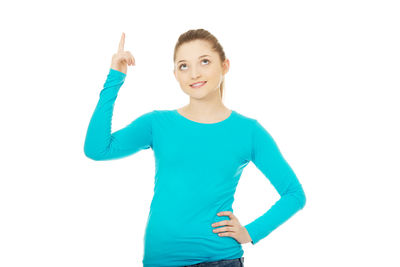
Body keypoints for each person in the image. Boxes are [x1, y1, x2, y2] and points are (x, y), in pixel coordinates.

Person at [84, 29, 306, 267]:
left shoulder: (248, 131)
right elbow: (97, 149)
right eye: (184, 66)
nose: (194, 73)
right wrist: (115, 77)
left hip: (219, 259)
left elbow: (294, 195)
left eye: (205, 61)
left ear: (225, 65)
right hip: (161, 260)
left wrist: (250, 232)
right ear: (175, 74)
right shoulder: (157, 124)